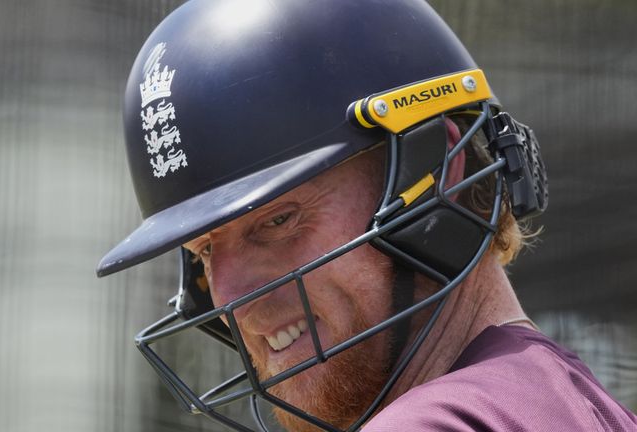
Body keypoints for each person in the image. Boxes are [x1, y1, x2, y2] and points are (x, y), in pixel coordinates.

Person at [97, 0, 637, 431]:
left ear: (437, 170)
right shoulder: (585, 409)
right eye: (205, 251)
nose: (232, 299)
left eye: (279, 220)